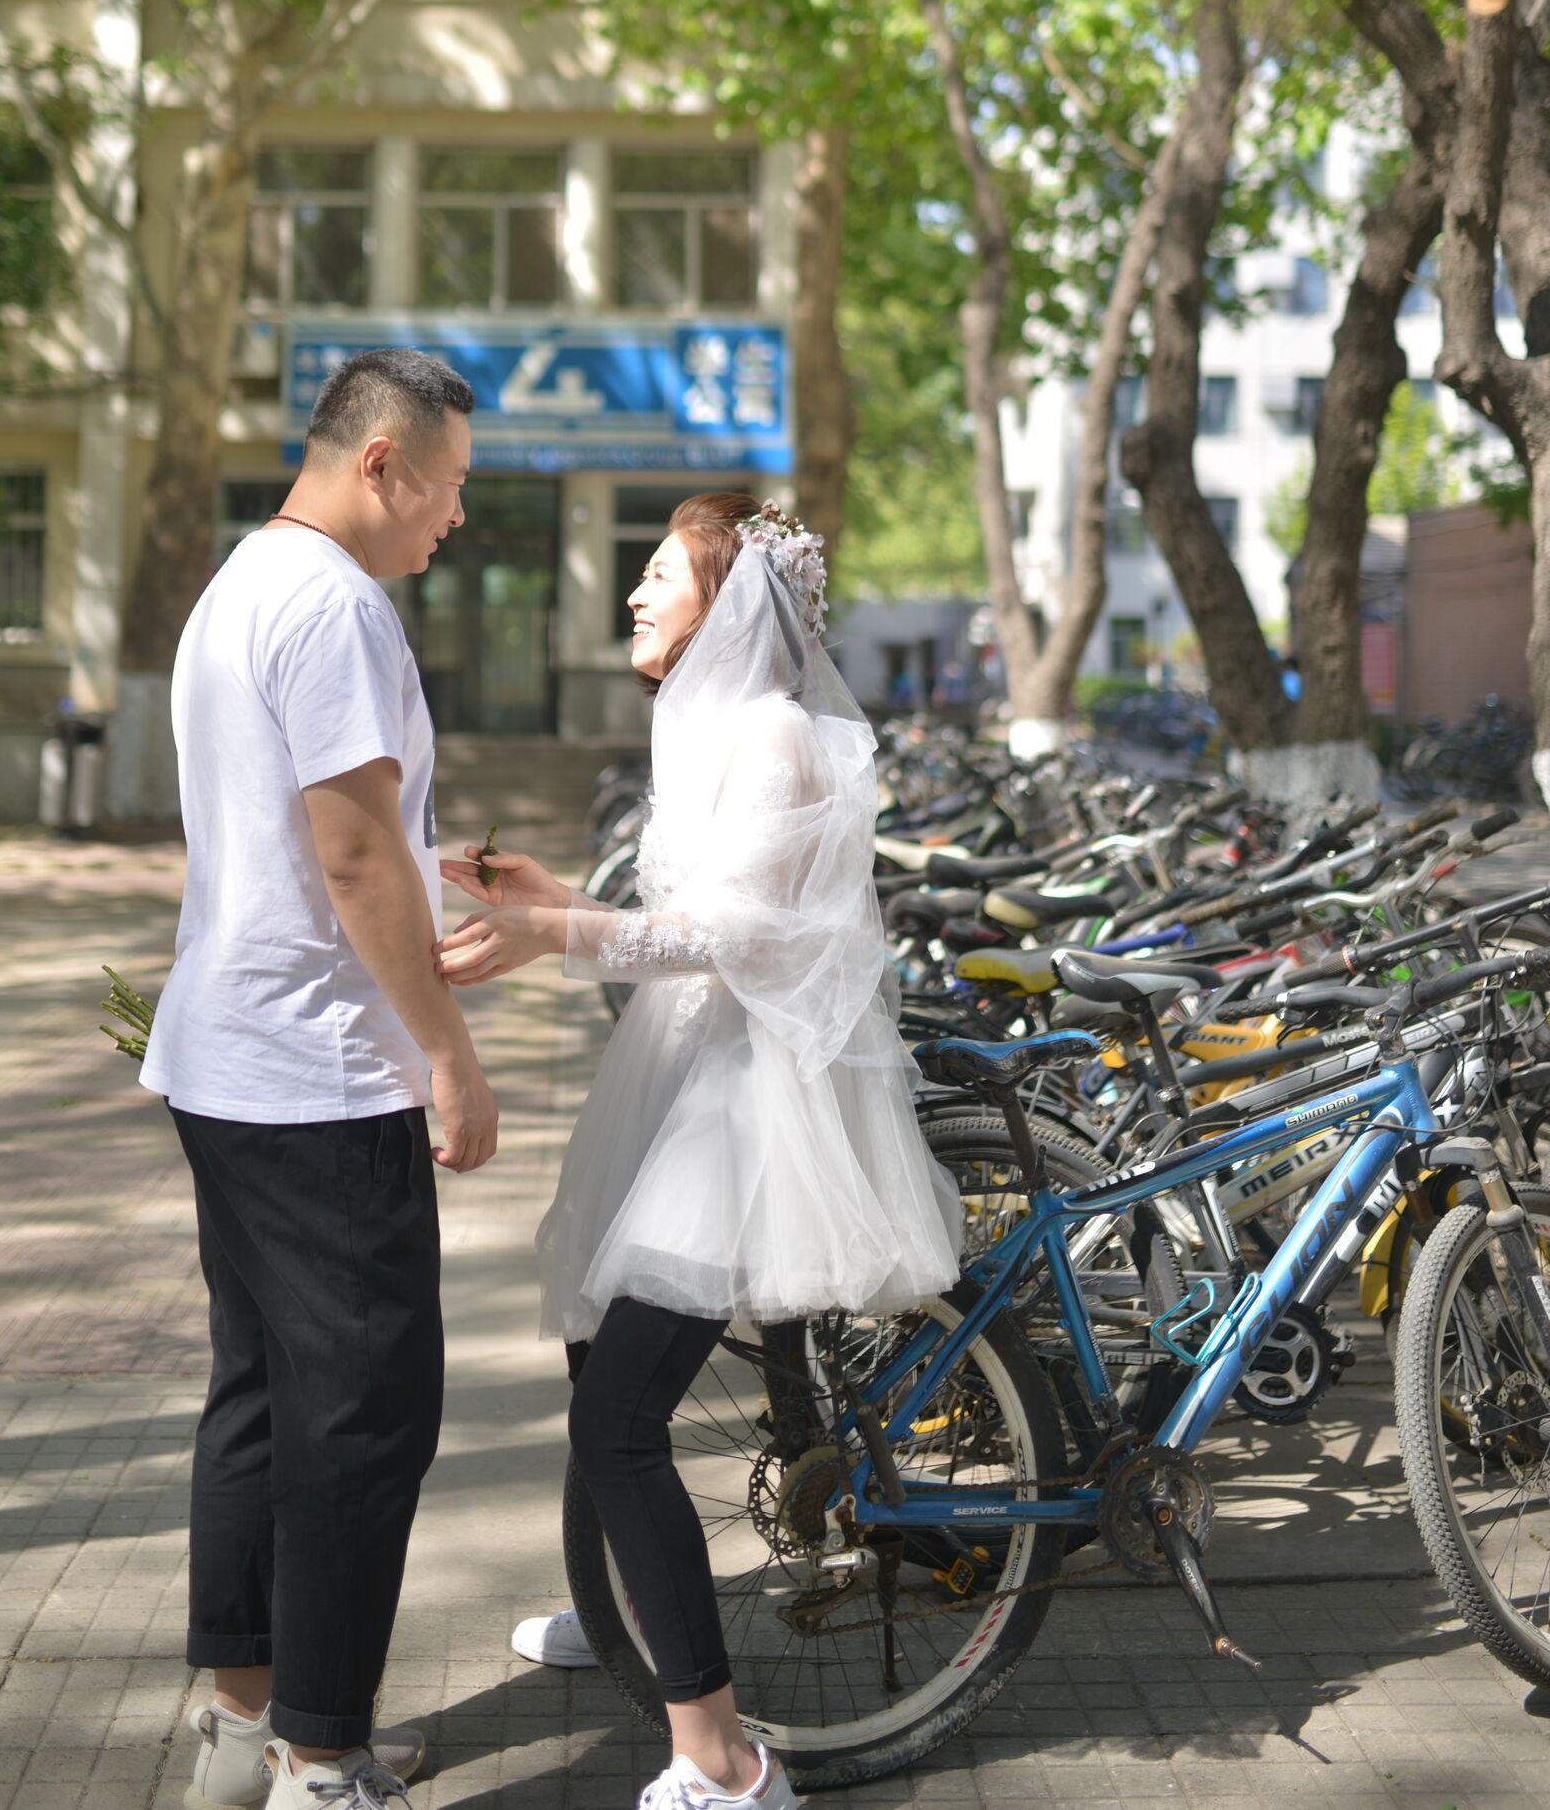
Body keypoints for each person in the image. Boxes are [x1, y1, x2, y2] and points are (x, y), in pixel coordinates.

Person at [439, 494, 961, 1810]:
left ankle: (723, 1763)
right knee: (592, 1348)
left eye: (660, 572)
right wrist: (558, 903)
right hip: (684, 1075)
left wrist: (558, 937)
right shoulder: (711, 725)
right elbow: (685, 923)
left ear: (729, 602)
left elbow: (737, 938)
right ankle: (630, 1609)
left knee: (618, 1414)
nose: (635, 593)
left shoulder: (778, 734)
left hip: (744, 1107)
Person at [141, 347, 497, 1810]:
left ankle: (245, 1728)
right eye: (450, 486)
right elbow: (350, 859)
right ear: (381, 463)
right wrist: (449, 1053)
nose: (456, 518)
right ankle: (322, 1759)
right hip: (319, 1074)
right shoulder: (339, 606)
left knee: (264, 1396)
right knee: (365, 1420)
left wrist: (429, 876)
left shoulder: (242, 581)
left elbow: (336, 843)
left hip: (228, 1059)